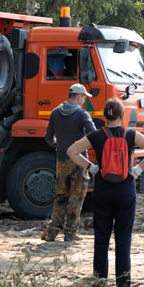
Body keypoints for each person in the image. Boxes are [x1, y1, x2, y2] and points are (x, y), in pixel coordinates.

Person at [66, 98, 144, 287]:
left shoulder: (96, 135)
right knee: (123, 237)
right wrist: (137, 170)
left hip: (102, 189)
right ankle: (123, 285)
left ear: (104, 116)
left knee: (101, 237)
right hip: (125, 189)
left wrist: (91, 167)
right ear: (122, 115)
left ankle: (99, 281)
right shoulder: (130, 135)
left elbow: (72, 151)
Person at [42, 83, 97, 242]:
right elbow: (93, 134)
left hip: (61, 160)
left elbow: (48, 138)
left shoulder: (55, 113)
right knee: (76, 197)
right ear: (79, 96)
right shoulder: (82, 115)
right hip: (79, 161)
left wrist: (57, 146)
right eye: (84, 97)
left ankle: (52, 232)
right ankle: (71, 233)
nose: (85, 100)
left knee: (60, 196)